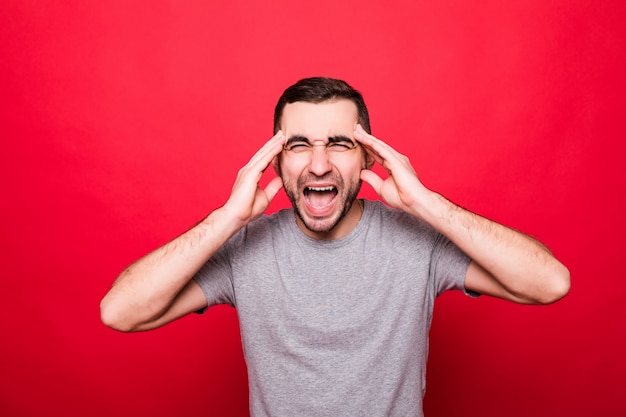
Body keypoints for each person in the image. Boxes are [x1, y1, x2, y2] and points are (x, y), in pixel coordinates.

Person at [100, 77, 570, 416]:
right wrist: (227, 219)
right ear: (275, 160)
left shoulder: (417, 241)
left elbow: (550, 282)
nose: (320, 164)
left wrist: (427, 204)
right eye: (300, 144)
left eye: (340, 144)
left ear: (368, 155)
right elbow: (120, 312)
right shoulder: (244, 246)